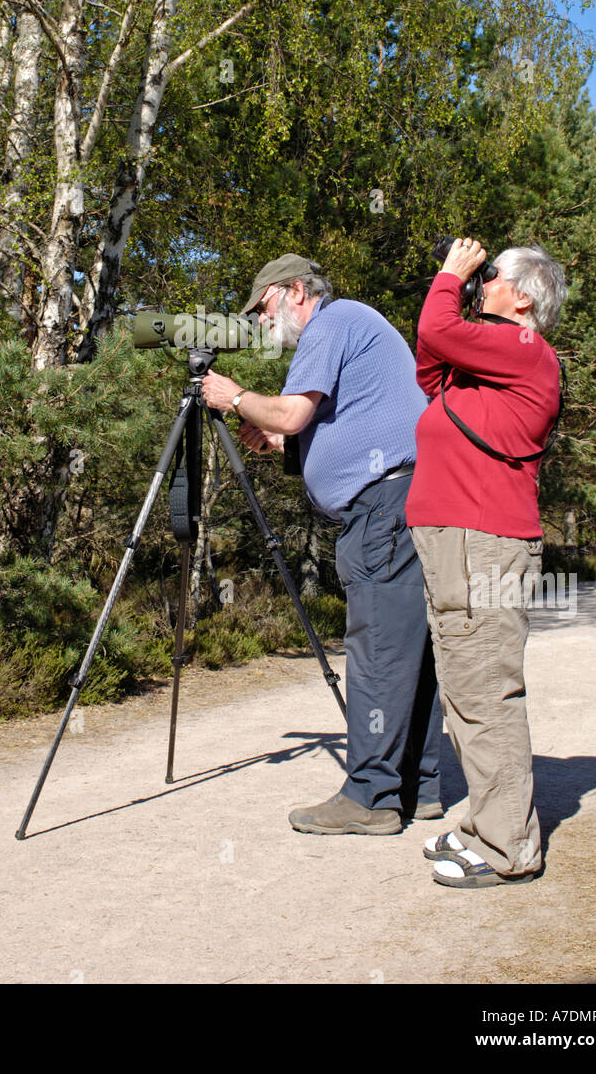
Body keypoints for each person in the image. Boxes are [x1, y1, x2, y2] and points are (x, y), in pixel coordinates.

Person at [200, 253, 442, 835]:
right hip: (401, 501)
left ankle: (370, 798)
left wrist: (233, 398)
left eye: (262, 308)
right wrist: (287, 447)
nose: (260, 322)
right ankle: (418, 785)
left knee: (378, 650)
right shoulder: (355, 324)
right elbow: (339, 428)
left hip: (382, 510)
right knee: (409, 649)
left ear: (293, 291)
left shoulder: (331, 323)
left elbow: (290, 413)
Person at [405, 236, 567, 889]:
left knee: (484, 692)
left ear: (521, 296)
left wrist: (448, 274)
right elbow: (428, 366)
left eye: (490, 272)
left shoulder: (525, 350)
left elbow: (435, 327)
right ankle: (486, 824)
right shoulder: (486, 364)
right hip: (454, 541)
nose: (479, 277)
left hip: (479, 543)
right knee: (466, 690)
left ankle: (506, 847)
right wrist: (453, 285)